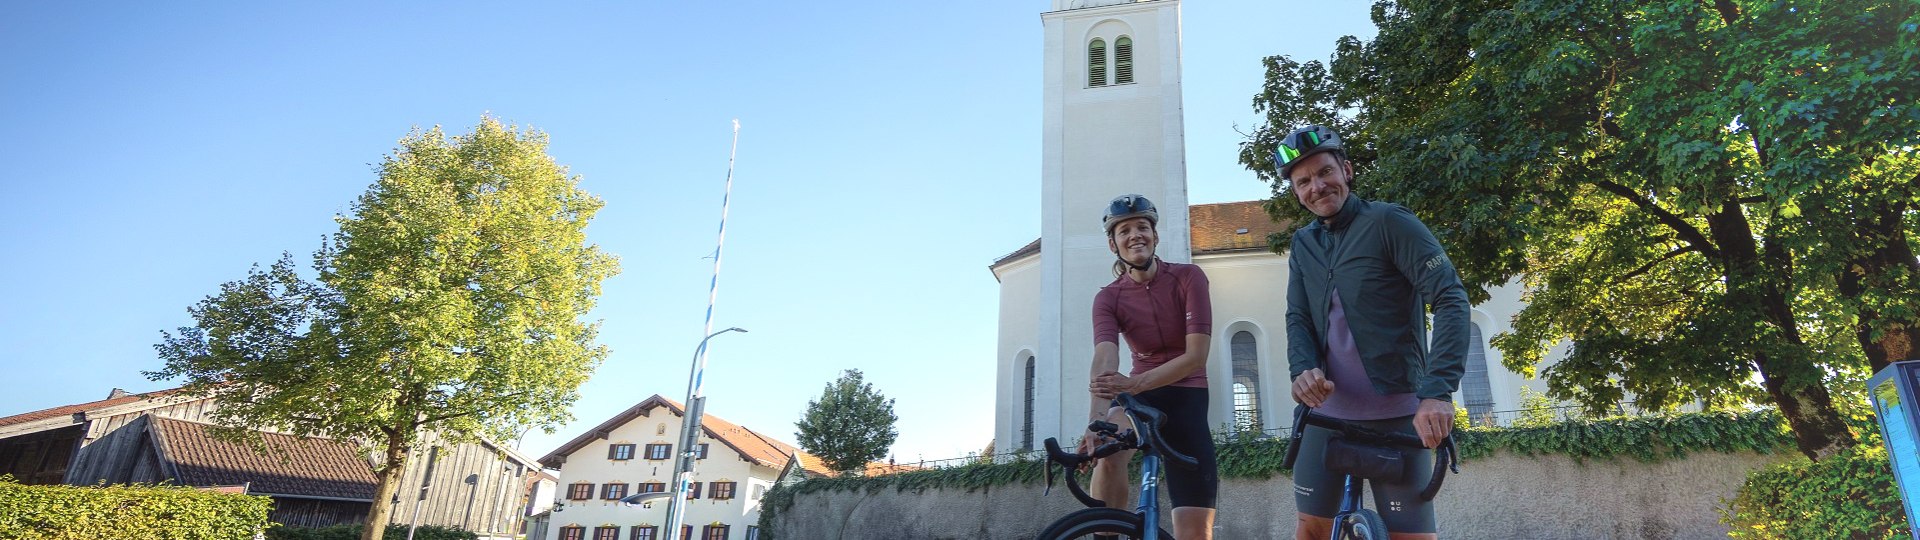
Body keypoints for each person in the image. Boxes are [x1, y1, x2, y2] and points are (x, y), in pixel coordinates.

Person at [1278, 125, 1470, 540]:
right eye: (1304, 181)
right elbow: (1298, 318)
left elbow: (1451, 298)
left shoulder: (1389, 222)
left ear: (1346, 170)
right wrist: (1303, 369)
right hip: (1325, 418)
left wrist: (1438, 391)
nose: (1317, 186)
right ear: (1297, 192)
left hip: (1398, 415)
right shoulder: (1303, 243)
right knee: (1310, 531)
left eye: (1325, 172)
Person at [1079, 193, 1219, 539]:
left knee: (1194, 531)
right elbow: (1105, 358)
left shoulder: (1189, 277)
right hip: (1139, 399)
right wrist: (1096, 423)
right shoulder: (1108, 297)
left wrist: (1134, 385)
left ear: (1155, 237)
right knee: (1110, 445)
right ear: (1114, 245)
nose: (1135, 235)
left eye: (1142, 227)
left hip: (1187, 396)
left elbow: (1195, 357)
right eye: (1124, 230)